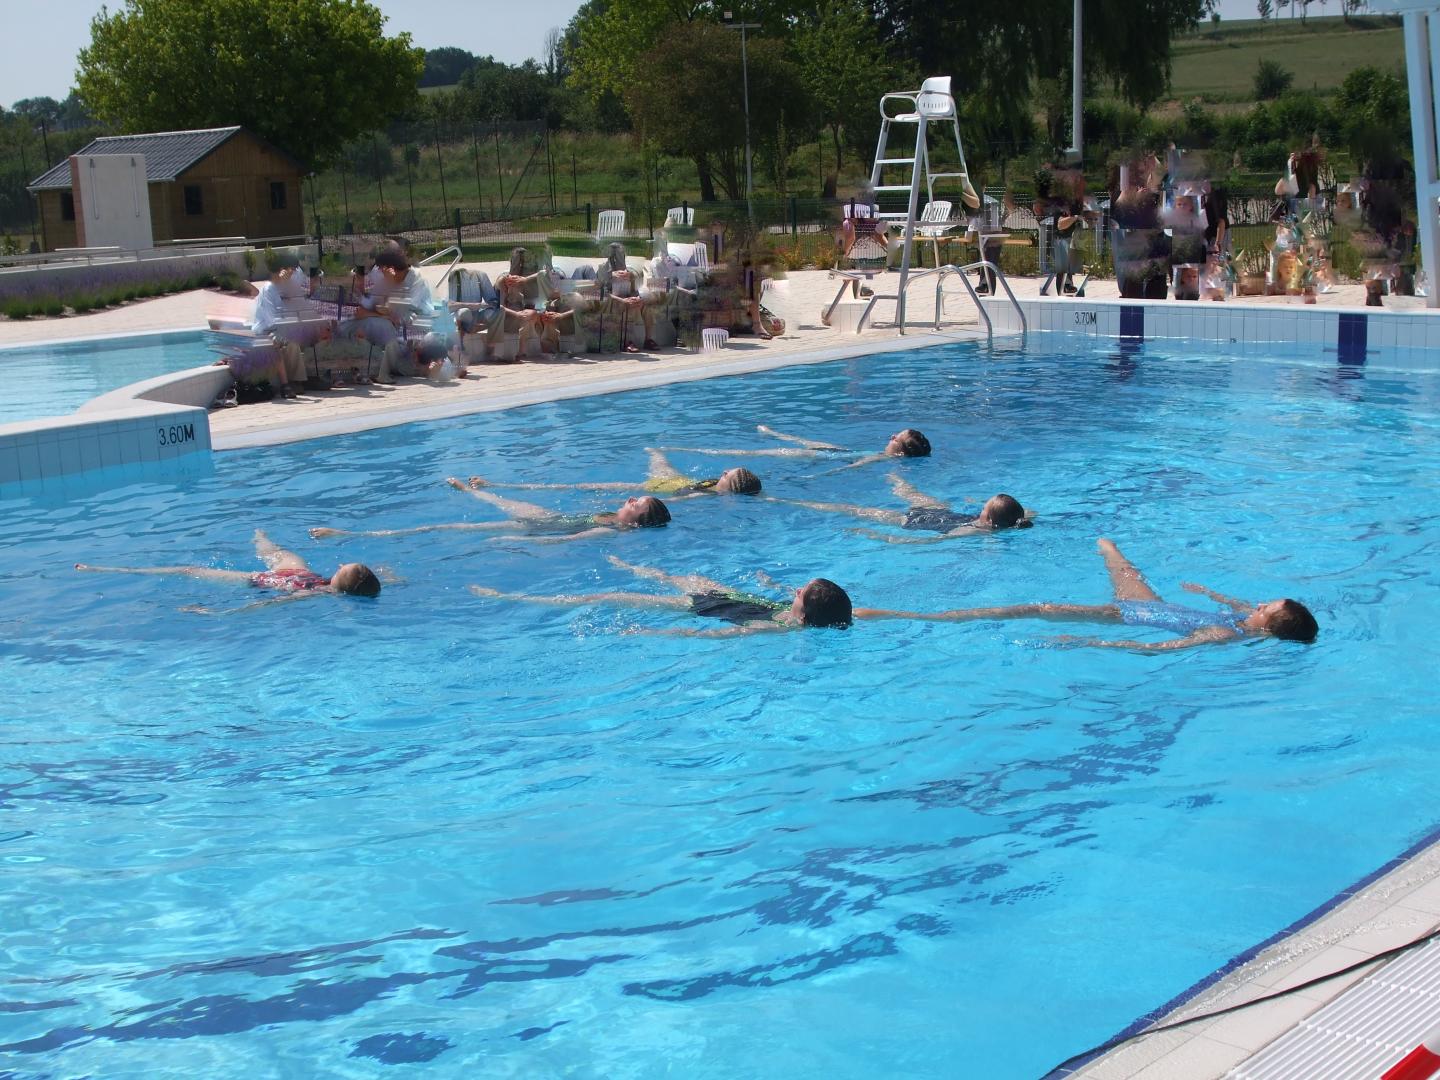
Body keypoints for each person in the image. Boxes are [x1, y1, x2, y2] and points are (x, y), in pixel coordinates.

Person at [908, 538, 1318, 650]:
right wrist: (1207, 591)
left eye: (1267, 607)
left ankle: (930, 617)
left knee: (1037, 608)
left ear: (1268, 627)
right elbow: (1235, 603)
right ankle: (1103, 542)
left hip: (1125, 616)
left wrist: (1089, 642)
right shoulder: (1244, 618)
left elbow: (1158, 649)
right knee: (1119, 560)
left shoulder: (1226, 634)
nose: (1259, 604)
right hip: (1151, 606)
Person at [468, 555, 869, 635]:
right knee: (682, 575)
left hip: (711, 610)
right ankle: (634, 565)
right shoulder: (831, 613)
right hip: (736, 597)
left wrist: (652, 633)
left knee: (611, 596)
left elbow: (722, 635)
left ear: (803, 616)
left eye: (800, 593)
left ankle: (517, 600)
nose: (795, 590)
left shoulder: (777, 629)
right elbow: (867, 613)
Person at [74, 529, 381, 612]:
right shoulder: (332, 585)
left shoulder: (310, 597)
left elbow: (261, 606)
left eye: (343, 568)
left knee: (188, 570)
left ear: (342, 581)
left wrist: (215, 613)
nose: (339, 564)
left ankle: (107, 568)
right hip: (300, 574)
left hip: (265, 581)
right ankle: (258, 532)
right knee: (275, 551)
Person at [310, 480, 671, 545]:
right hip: (548, 519)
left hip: (539, 529)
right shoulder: (612, 519)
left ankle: (350, 534)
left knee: (449, 526)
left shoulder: (608, 530)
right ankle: (474, 490)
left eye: (634, 504)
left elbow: (564, 541)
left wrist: (511, 539)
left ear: (637, 522)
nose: (628, 499)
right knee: (497, 500)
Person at [768, 474, 1030, 542]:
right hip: (943, 514)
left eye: (983, 508)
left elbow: (925, 543)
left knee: (854, 510)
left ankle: (787, 501)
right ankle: (893, 476)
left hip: (918, 522)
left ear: (990, 522)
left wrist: (880, 536)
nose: (980, 510)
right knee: (909, 492)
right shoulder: (994, 523)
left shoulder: (972, 532)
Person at [462, 451, 761, 500]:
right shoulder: (713, 485)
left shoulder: (705, 496)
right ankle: (653, 448)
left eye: (728, 474)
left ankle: (499, 484)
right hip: (675, 480)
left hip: (659, 488)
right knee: (658, 456)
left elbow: (677, 501)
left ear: (730, 487)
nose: (724, 470)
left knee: (585, 486)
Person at [657, 425, 931, 472]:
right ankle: (773, 432)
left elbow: (855, 466)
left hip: (832, 459)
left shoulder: (881, 460)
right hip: (841, 453)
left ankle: (705, 451)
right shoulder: (881, 455)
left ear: (900, 452)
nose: (891, 435)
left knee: (764, 454)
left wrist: (819, 475)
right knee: (803, 440)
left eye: (895, 438)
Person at [595, 242, 667, 352]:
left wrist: (637, 297)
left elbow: (633, 290)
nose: (619, 257)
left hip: (626, 298)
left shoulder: (627, 271)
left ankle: (648, 340)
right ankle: (627, 341)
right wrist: (622, 299)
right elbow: (602, 293)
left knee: (646, 308)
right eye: (616, 253)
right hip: (612, 301)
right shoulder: (603, 270)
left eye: (621, 254)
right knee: (630, 307)